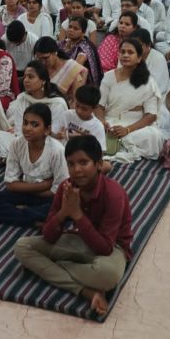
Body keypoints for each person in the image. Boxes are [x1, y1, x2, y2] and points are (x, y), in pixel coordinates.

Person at [13, 135, 132, 317]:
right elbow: (48, 236)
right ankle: (85, 291)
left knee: (107, 275)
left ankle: (50, 267)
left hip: (112, 248)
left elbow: (105, 248)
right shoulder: (66, 187)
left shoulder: (114, 194)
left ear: (99, 164)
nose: (77, 170)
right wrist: (63, 213)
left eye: (84, 162)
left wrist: (77, 214)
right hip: (79, 239)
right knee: (22, 247)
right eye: (71, 164)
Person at [0, 103, 68, 226]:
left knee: (62, 206)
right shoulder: (17, 144)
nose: (27, 128)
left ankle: (24, 214)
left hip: (46, 197)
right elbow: (10, 184)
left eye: (34, 124)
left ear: (47, 130)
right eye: (25, 123)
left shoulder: (57, 150)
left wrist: (24, 187)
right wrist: (44, 184)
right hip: (25, 192)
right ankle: (33, 218)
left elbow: (57, 191)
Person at [0, 61, 69, 163]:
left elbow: (54, 135)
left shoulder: (57, 103)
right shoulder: (22, 98)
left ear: (43, 81)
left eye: (30, 77)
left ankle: (15, 159)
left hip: (46, 144)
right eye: (25, 77)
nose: (26, 80)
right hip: (25, 140)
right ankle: (19, 159)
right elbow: (20, 130)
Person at [97, 37, 163, 161]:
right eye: (122, 52)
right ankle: (115, 144)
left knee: (153, 136)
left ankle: (117, 145)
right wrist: (102, 123)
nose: (125, 55)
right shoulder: (108, 77)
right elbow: (99, 106)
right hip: (110, 122)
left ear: (139, 58)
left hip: (135, 126)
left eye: (130, 52)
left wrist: (127, 130)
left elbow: (151, 115)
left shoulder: (148, 82)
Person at [51, 84, 106, 152]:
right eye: (77, 105)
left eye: (84, 109)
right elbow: (52, 133)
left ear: (94, 108)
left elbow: (100, 151)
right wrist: (57, 135)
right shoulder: (67, 115)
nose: (79, 111)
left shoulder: (97, 127)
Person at [34, 36, 87, 106]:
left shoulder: (73, 69)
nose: (43, 62)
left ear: (55, 52)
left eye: (46, 58)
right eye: (39, 59)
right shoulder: (38, 68)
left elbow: (75, 100)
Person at [59, 16, 103, 86]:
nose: (71, 30)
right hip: (62, 76)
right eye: (70, 27)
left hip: (82, 83)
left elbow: (74, 69)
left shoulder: (85, 47)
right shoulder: (62, 44)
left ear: (83, 32)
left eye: (75, 28)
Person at [130, 27, 169, 97]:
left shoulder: (158, 58)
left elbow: (154, 85)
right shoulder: (131, 56)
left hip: (156, 96)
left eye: (139, 45)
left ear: (148, 45)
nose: (136, 48)